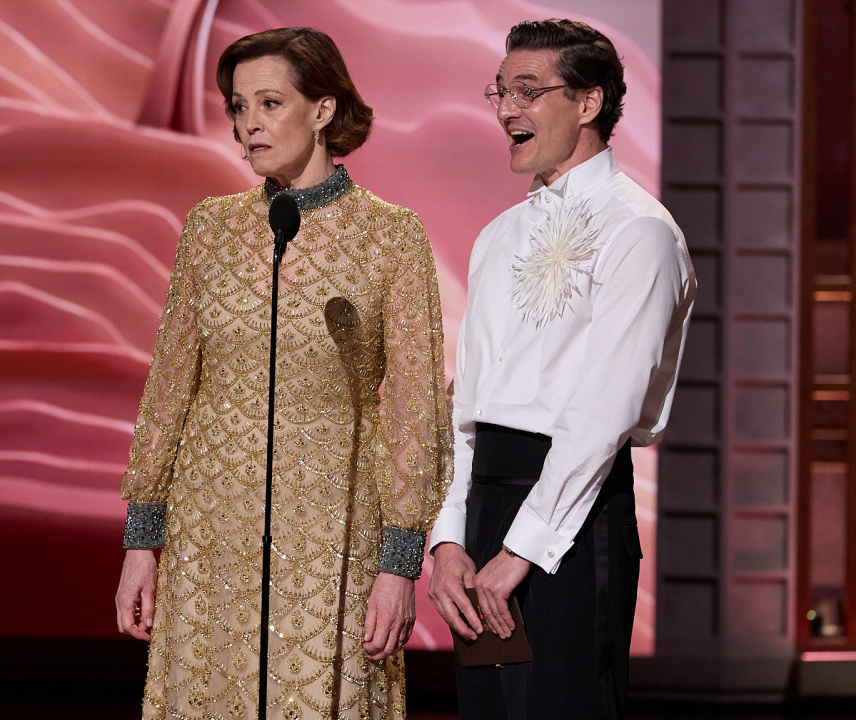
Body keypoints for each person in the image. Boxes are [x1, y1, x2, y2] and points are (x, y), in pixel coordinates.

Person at [114, 27, 452, 720]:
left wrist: (399, 561)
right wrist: (142, 542)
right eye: (239, 107)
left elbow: (417, 410)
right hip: (210, 533)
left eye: (270, 103)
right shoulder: (210, 228)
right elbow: (169, 388)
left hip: (332, 533)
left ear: (323, 109)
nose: (249, 125)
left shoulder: (391, 235)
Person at [426, 19, 696, 720]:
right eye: (500, 92)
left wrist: (522, 548)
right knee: (491, 707)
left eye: (528, 90)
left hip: (573, 517)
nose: (508, 109)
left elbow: (602, 414)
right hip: (489, 502)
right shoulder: (497, 236)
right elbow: (466, 406)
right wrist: (449, 535)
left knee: (563, 706)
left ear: (588, 102)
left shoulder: (640, 231)